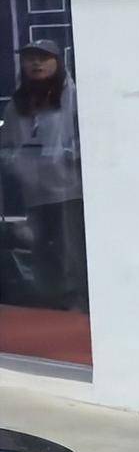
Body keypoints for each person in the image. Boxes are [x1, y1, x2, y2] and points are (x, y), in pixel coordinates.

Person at [0, 39, 88, 312]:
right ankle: (51, 306)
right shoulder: (17, 104)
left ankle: (78, 305)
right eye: (30, 58)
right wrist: (19, 164)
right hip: (35, 193)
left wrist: (69, 156)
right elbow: (7, 146)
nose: (36, 63)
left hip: (70, 190)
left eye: (43, 57)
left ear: (57, 61)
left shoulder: (75, 97)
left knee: (72, 251)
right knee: (42, 252)